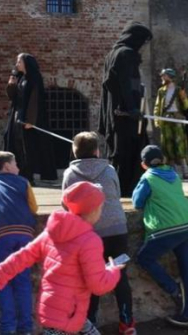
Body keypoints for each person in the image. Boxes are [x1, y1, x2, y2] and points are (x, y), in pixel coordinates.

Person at [0, 181, 123, 335]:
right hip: (70, 313)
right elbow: (98, 285)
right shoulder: (90, 241)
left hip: (52, 308)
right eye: (101, 207)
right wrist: (113, 270)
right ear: (93, 210)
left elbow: (23, 256)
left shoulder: (52, 232)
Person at [62, 132, 135, 335]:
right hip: (116, 230)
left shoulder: (70, 174)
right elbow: (117, 194)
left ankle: (91, 323)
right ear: (97, 151)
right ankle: (127, 323)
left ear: (74, 151)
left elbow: (65, 203)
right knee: (120, 276)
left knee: (89, 278)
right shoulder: (110, 170)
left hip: (88, 233)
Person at [132, 145, 188, 331]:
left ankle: (172, 288)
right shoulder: (174, 174)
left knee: (144, 258)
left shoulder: (148, 178)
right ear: (163, 160)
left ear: (143, 165)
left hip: (166, 229)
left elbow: (137, 202)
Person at [0, 151, 38, 335]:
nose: (18, 167)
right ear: (6, 166)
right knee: (23, 282)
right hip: (25, 235)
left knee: (2, 282)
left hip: (0, 236)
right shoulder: (24, 182)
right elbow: (34, 208)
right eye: (15, 163)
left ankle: (7, 328)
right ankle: (26, 328)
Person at [99, 22, 153, 197]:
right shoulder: (127, 54)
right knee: (129, 151)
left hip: (114, 113)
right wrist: (133, 108)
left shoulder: (112, 54)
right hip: (126, 115)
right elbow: (127, 85)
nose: (143, 47)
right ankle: (128, 189)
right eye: (143, 42)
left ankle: (117, 188)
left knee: (119, 151)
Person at [4, 53, 57, 183]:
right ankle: (19, 172)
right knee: (15, 143)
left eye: (19, 62)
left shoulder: (34, 77)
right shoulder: (21, 78)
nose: (17, 64)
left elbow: (35, 100)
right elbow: (13, 97)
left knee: (27, 147)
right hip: (17, 115)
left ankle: (28, 176)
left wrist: (30, 120)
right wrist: (11, 85)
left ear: (26, 63)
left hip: (27, 117)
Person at [153, 68, 188, 179]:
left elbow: (186, 106)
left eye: (164, 76)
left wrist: (183, 97)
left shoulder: (178, 90)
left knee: (179, 144)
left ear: (169, 76)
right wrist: (157, 119)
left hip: (177, 118)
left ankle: (185, 171)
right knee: (168, 145)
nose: (162, 78)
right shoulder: (161, 91)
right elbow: (157, 107)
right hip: (166, 119)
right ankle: (172, 171)